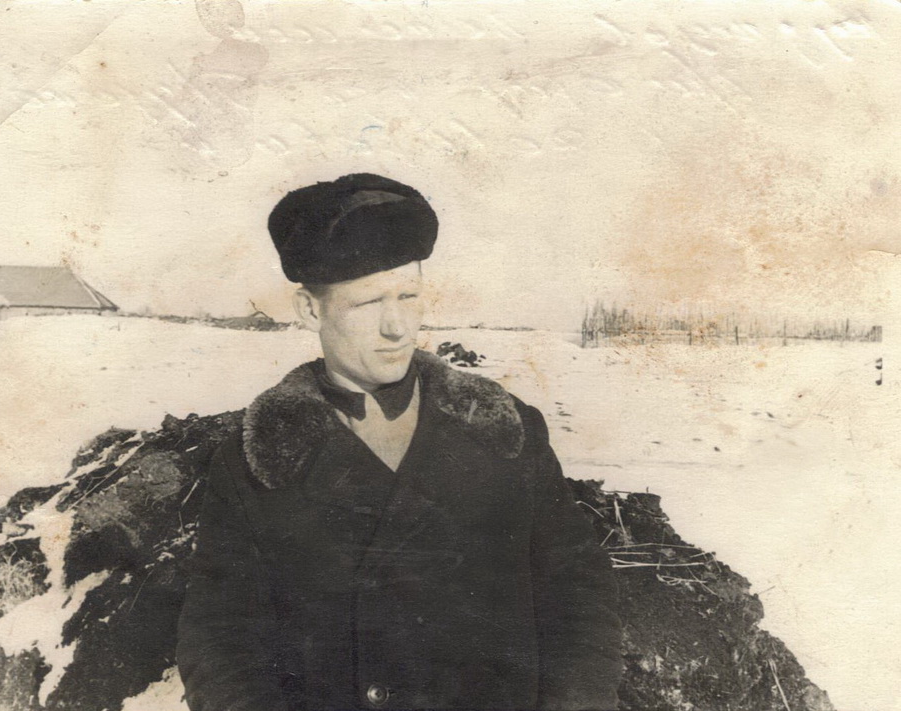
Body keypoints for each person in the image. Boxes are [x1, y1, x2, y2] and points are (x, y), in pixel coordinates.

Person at [177, 173, 623, 711]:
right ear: (311, 310)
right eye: (368, 303)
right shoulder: (256, 458)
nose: (397, 328)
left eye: (408, 296)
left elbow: (578, 592)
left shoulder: (504, 429)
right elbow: (220, 641)